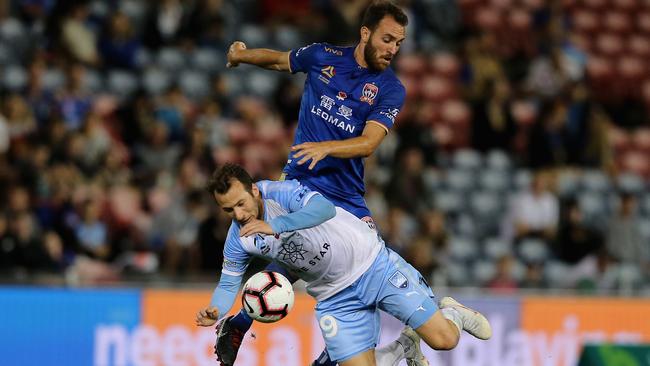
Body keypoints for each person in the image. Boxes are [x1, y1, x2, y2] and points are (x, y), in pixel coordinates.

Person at [220, 2, 409, 365]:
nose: (393, 49)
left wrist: (327, 148)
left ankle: (242, 324)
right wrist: (242, 55)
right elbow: (278, 60)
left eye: (398, 43)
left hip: (348, 196)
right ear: (365, 33)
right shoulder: (323, 56)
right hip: (302, 183)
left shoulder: (389, 88)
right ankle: (248, 327)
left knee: (369, 267)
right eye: (387, 39)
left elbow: (369, 143)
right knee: (300, 262)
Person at [196, 164, 492, 366]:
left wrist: (276, 225)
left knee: (445, 340)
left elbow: (323, 209)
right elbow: (228, 283)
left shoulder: (279, 193)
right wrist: (216, 310)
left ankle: (452, 311)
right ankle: (405, 346)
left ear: (254, 191)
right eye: (228, 209)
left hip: (373, 264)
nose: (238, 214)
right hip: (335, 299)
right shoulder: (239, 238)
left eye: (240, 203)